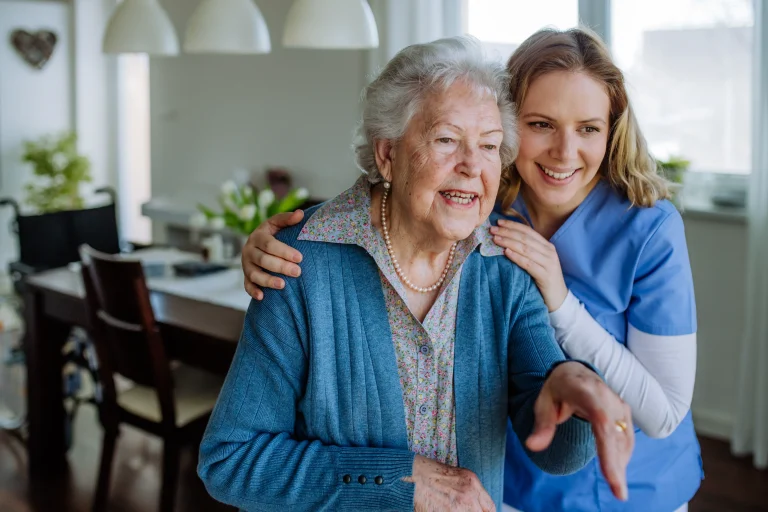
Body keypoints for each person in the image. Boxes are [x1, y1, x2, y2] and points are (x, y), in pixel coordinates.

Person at [239, 28, 699, 512]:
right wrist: (279, 242)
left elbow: (638, 410)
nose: (565, 152)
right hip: (512, 491)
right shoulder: (487, 214)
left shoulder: (630, 230)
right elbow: (392, 198)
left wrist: (569, 350)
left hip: (632, 486)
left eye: (589, 127)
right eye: (542, 124)